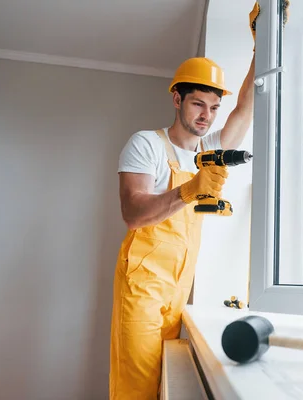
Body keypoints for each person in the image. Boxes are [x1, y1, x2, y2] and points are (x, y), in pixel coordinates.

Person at [109, 2, 289, 398]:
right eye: (197, 104)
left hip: (179, 285)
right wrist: (190, 188)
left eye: (212, 107)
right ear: (177, 99)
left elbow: (245, 108)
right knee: (135, 387)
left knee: (165, 385)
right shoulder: (146, 144)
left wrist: (262, 45)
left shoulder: (208, 148)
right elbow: (133, 213)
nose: (206, 116)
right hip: (142, 284)